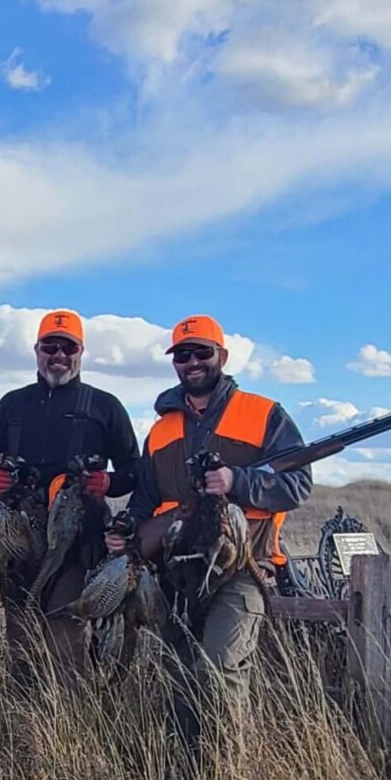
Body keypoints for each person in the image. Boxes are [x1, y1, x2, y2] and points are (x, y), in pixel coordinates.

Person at [118, 314, 312, 743]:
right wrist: (127, 533)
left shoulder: (264, 414)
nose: (192, 362)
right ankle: (187, 779)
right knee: (181, 677)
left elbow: (298, 485)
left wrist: (236, 482)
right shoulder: (161, 429)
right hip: (175, 575)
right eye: (182, 355)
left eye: (201, 352)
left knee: (218, 671)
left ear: (221, 356)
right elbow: (145, 500)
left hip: (242, 570)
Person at [0, 309, 139, 680]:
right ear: (36, 350)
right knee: (21, 638)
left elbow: (135, 471)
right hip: (18, 542)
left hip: (75, 546)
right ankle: (26, 725)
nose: (59, 355)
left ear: (82, 352)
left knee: (64, 632)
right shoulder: (11, 405)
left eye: (69, 347)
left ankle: (72, 719)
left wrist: (108, 484)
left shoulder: (105, 406)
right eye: (51, 345)